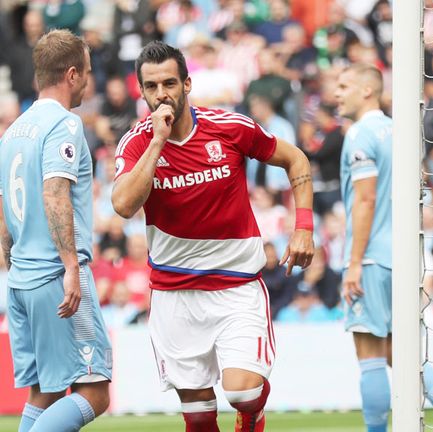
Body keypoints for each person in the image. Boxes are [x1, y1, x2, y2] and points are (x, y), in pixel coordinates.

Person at [110, 41, 315, 432]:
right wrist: (157, 141)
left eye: (169, 83)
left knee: (242, 391)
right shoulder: (138, 142)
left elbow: (295, 159)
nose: (161, 94)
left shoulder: (230, 128)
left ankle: (252, 414)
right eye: (151, 87)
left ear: (187, 84)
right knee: (199, 418)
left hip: (236, 287)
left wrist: (303, 226)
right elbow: (122, 204)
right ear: (141, 92)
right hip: (175, 296)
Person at [336, 63, 433, 432]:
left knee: (369, 354)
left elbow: (365, 201)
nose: (336, 93)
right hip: (405, 257)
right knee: (401, 351)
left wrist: (353, 263)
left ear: (368, 90)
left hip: (370, 257)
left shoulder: (359, 134)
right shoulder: (400, 132)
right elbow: (421, 191)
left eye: (344, 85)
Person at [0, 29, 112, 432]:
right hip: (54, 275)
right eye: (86, 70)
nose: (88, 78)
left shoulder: (14, 130)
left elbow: (2, 210)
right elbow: (55, 194)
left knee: (44, 394)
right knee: (95, 393)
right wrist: (70, 267)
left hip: (21, 281)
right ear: (70, 74)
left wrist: (12, 263)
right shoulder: (64, 124)